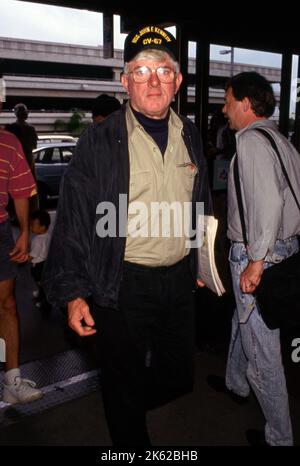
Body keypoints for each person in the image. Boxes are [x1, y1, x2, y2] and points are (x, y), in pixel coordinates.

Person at [44, 24, 212, 446]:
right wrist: (73, 293)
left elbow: (201, 201)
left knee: (177, 377)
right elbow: (73, 220)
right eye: (140, 71)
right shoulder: (98, 142)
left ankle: (125, 398)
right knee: (123, 388)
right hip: (120, 282)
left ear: (178, 81)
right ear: (125, 81)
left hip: (177, 283)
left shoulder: (190, 134)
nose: (153, 81)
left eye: (163, 70)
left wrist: (199, 259)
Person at [208, 72, 300, 446]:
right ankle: (236, 383)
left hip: (259, 254)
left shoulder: (250, 143)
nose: (224, 108)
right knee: (241, 319)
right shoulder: (281, 141)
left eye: (228, 100)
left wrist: (256, 262)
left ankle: (280, 438)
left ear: (246, 103)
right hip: (285, 248)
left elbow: (267, 204)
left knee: (263, 351)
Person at [0, 98, 43, 404]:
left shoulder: (10, 141)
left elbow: (19, 191)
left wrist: (25, 232)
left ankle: (11, 381)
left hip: (0, 230)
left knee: (7, 305)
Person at [6, 103, 39, 211]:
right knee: (30, 186)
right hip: (27, 158)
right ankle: (31, 210)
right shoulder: (31, 129)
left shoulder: (10, 128)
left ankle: (15, 213)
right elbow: (34, 145)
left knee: (15, 185)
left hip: (15, 159)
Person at [29, 209, 51, 309]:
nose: (30, 227)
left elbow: (32, 255)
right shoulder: (48, 236)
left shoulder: (37, 240)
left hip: (38, 266)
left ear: (42, 227)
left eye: (33, 225)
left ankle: (44, 301)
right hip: (46, 263)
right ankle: (40, 293)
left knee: (40, 283)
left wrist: (24, 258)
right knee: (44, 282)